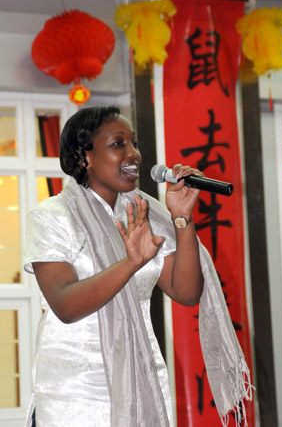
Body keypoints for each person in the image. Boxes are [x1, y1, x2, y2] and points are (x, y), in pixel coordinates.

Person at [24, 105, 251, 427]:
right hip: (73, 391)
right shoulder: (53, 215)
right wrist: (131, 262)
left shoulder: (147, 211)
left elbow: (186, 293)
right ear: (82, 156)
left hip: (138, 376)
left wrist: (181, 218)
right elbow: (65, 305)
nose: (134, 154)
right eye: (119, 144)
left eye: (135, 144)